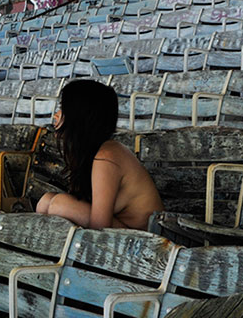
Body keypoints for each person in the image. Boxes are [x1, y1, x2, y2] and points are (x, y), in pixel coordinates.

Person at [35, 78, 165, 229]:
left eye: (63, 108)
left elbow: (99, 227)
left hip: (143, 241)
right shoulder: (92, 152)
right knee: (46, 200)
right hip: (123, 232)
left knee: (59, 205)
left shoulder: (107, 156)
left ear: (80, 116)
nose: (56, 115)